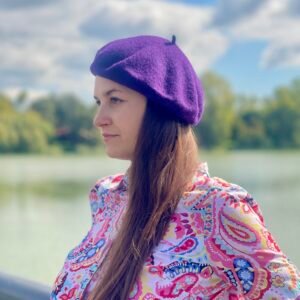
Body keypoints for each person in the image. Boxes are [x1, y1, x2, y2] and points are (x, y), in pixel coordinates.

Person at [50, 34, 300, 300]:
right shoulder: (106, 197)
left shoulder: (215, 208)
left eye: (115, 100)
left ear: (161, 108)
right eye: (98, 102)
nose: (98, 120)